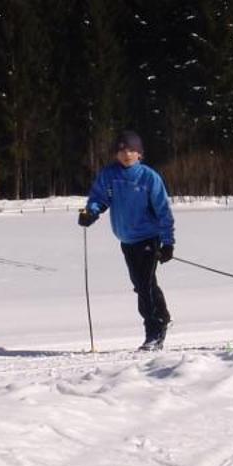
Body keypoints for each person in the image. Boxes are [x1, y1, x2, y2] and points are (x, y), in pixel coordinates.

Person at [79, 130, 175, 350]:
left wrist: (168, 243)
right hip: (126, 240)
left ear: (140, 154)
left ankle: (155, 330)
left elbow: (163, 212)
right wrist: (91, 213)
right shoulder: (109, 175)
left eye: (131, 150)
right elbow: (99, 198)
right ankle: (162, 315)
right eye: (121, 150)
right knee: (141, 284)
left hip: (149, 238)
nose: (126, 154)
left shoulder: (149, 177)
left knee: (145, 285)